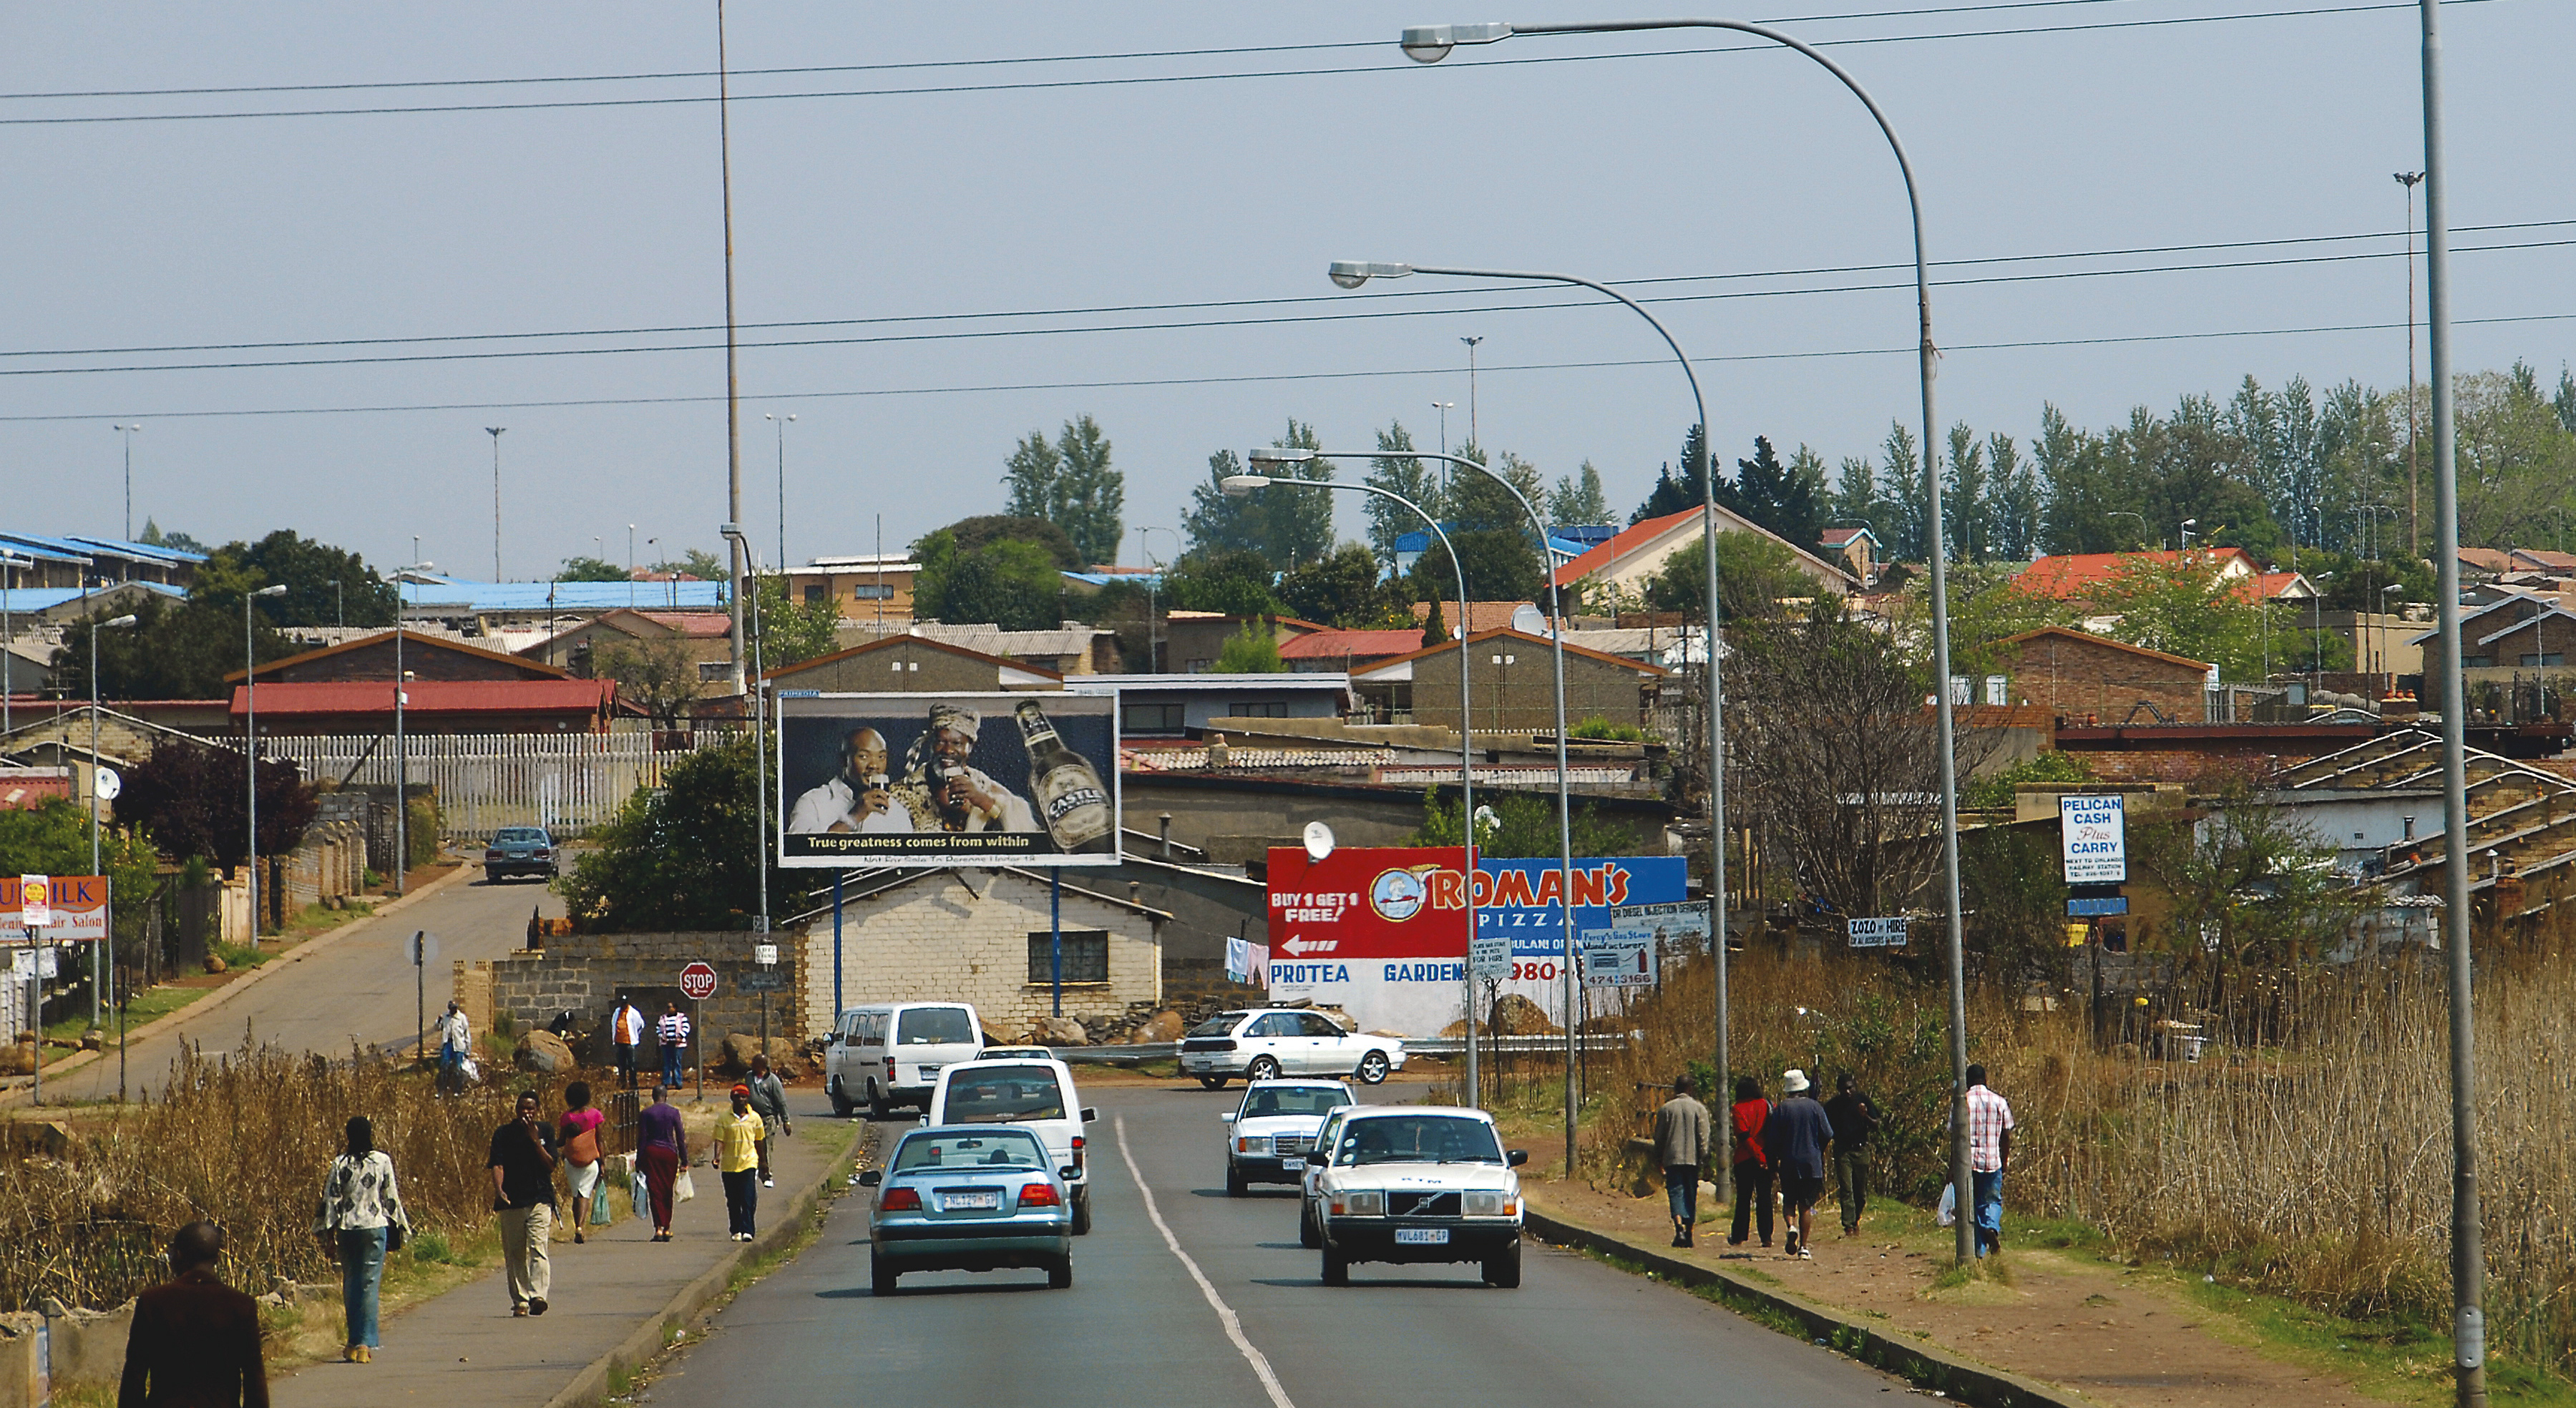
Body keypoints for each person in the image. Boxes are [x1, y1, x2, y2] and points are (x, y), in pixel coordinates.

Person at [119, 1221, 267, 1407]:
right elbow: (254, 1377)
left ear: (179, 1254)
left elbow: (135, 1374)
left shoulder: (152, 1301)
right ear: (217, 1259)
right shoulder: (241, 1305)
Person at [313, 1116, 410, 1364]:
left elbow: (331, 1200)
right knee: (369, 1285)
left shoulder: (339, 1163)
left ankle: (352, 1342)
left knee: (351, 1283)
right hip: (375, 1228)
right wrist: (397, 1230)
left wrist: (327, 1235)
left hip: (348, 1229)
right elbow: (391, 1198)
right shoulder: (382, 1161)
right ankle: (365, 1344)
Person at [895, 703, 1037, 833]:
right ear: (931, 744)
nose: (948, 750)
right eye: (940, 741)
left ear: (970, 748)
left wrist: (982, 801)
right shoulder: (905, 791)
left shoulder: (987, 788)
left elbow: (1022, 835)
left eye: (957, 743)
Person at [488, 1090, 559, 1316]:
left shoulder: (545, 1130)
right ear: (516, 1109)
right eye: (522, 1108)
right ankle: (520, 1301)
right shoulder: (503, 1134)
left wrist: (536, 1141)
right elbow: (497, 1165)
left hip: (540, 1199)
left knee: (538, 1246)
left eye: (530, 1108)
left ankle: (538, 1296)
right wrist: (499, 1191)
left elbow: (551, 1165)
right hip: (513, 1201)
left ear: (537, 1110)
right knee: (515, 1252)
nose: (525, 1113)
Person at [1764, 1069, 1835, 1260]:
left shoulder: (1781, 1109)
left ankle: (1791, 1226)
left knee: (1789, 1201)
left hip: (1789, 1161)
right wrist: (1818, 1149)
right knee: (1806, 1206)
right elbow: (1828, 1133)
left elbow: (1772, 1140)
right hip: (1812, 1163)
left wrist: (1773, 1164)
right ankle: (1804, 1247)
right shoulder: (1815, 1107)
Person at [787, 726, 914, 833]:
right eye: (863, 756)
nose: (874, 765)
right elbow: (802, 854)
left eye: (881, 757)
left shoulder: (897, 811)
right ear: (844, 760)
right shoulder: (812, 803)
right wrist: (854, 817)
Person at [1958, 1062, 2016, 1258]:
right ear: (1985, 1080)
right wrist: (2004, 1159)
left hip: (1968, 1164)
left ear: (1968, 1081)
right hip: (1993, 1161)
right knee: (1992, 1201)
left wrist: (1952, 1167)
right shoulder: (2000, 1102)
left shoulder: (1962, 1102)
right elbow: (2006, 1135)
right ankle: (1991, 1227)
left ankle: (1979, 1252)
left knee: (1971, 1207)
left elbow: (1956, 1137)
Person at [1651, 1073, 1712, 1248]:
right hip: (1692, 1159)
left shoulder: (1666, 1109)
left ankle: (1679, 1229)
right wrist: (1704, 1157)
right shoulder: (1700, 1109)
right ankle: (1690, 1231)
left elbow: (1659, 1137)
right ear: (1690, 1089)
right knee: (1691, 1193)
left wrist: (1658, 1157)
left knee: (1676, 1192)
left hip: (1673, 1158)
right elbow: (1704, 1136)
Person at [1824, 1072, 1882, 1237]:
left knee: (1860, 1191)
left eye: (1850, 1088)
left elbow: (1877, 1124)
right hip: (1843, 1150)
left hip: (1861, 1149)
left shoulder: (1862, 1101)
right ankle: (1848, 1225)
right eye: (1844, 1089)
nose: (1848, 1092)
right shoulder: (1833, 1106)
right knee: (1846, 1188)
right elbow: (1823, 1125)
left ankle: (1856, 1218)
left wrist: (1866, 1117)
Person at [1727, 1075, 1775, 1249]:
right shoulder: (1767, 1105)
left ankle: (1739, 1235)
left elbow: (1744, 1137)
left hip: (1744, 1158)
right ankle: (1766, 1236)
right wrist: (1764, 1157)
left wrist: (1757, 1155)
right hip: (1765, 1157)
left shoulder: (1738, 1109)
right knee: (1764, 1198)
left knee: (1743, 1198)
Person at [714, 1083, 766, 1241]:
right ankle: (735, 1229)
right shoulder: (723, 1118)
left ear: (747, 1099)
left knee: (748, 1198)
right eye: (737, 1097)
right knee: (733, 1200)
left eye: (743, 1097)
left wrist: (764, 1163)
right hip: (729, 1166)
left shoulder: (755, 1118)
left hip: (749, 1163)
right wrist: (717, 1157)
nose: (740, 1100)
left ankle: (748, 1230)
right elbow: (719, 1140)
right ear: (732, 1098)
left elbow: (760, 1141)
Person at [638, 1083, 688, 1241]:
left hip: (652, 1152)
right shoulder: (673, 1112)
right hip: (669, 1153)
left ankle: (658, 1228)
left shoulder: (646, 1113)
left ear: (653, 1097)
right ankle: (667, 1227)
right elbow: (680, 1137)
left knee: (655, 1190)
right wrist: (684, 1159)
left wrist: (639, 1160)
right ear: (666, 1097)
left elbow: (642, 1139)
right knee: (667, 1189)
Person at [558, 1081, 606, 1245]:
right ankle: (580, 1227)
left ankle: (576, 1225)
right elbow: (600, 1141)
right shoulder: (595, 1115)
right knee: (585, 1194)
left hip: (571, 1161)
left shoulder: (566, 1117)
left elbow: (561, 1140)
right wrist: (602, 1162)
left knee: (575, 1194)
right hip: (590, 1160)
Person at [745, 1055, 792, 1188]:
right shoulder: (749, 1077)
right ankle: (752, 1170)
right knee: (750, 1144)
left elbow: (781, 1102)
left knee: (765, 1146)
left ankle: (766, 1174)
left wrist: (786, 1121)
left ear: (762, 1066)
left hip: (768, 1118)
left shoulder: (773, 1081)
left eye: (755, 1063)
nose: (752, 1065)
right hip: (751, 1117)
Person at [610, 996, 646, 1089]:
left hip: (630, 1042)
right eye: (622, 1003)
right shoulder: (617, 1011)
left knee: (632, 1064)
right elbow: (613, 1023)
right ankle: (622, 1082)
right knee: (621, 1064)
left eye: (625, 1003)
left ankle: (633, 1083)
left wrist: (635, 1034)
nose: (623, 1005)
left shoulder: (633, 1012)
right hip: (619, 1042)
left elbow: (641, 1024)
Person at [436, 1000, 472, 1092]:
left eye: (455, 1008)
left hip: (459, 1045)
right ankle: (442, 1089)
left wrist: (468, 1050)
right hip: (448, 1044)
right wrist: (439, 1021)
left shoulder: (462, 1018)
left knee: (457, 1069)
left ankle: (457, 1090)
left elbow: (466, 1034)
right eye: (452, 1009)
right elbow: (437, 1028)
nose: (453, 1010)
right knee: (444, 1066)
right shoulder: (445, 1017)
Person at [657, 1001, 692, 1088]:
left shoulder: (681, 1017)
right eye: (668, 1007)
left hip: (678, 1044)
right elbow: (658, 1029)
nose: (669, 1009)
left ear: (675, 1008)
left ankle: (678, 1082)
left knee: (676, 1063)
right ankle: (666, 1082)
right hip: (666, 1043)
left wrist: (680, 1036)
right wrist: (662, 1036)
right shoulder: (663, 1018)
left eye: (670, 1007)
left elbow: (686, 1027)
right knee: (667, 1063)